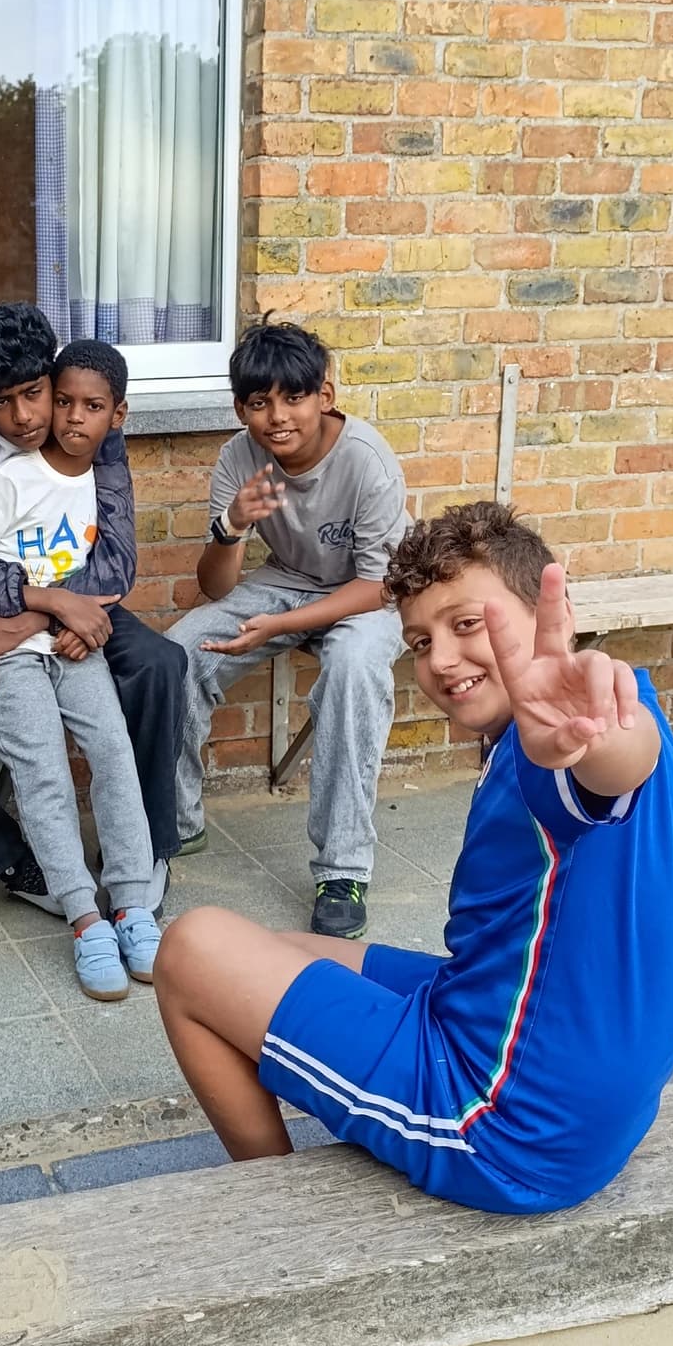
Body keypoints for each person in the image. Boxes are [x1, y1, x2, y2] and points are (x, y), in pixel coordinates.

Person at [154, 502, 673, 1218]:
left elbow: (609, 770)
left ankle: (279, 1214)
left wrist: (591, 740)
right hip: (563, 1074)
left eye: (468, 624)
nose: (441, 659)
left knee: (190, 950)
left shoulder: (578, 734)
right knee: (281, 949)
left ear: (549, 609)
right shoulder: (596, 716)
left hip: (506, 1130)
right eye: (419, 641)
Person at [0, 302, 184, 914]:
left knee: (160, 664)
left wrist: (38, 619)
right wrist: (36, 604)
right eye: (0, 401)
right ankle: (16, 859)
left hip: (75, 600)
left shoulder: (90, 427)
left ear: (53, 378)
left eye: (34, 392)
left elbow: (116, 563)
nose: (24, 416)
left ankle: (148, 846)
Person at [168, 319, 409, 942]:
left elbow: (381, 585)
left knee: (354, 670)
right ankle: (177, 819)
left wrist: (282, 625)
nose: (276, 416)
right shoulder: (239, 457)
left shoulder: (367, 461)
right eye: (258, 402)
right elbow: (218, 589)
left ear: (324, 395)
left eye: (293, 397)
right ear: (241, 407)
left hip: (369, 594)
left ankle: (343, 871)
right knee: (179, 651)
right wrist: (230, 526)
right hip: (287, 579)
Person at [0, 343, 163, 1001]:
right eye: (66, 401)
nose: (74, 418)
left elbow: (107, 577)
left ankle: (132, 903)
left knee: (112, 752)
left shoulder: (103, 484)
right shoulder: (12, 480)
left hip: (77, 648)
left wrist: (72, 624)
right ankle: (83, 917)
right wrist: (37, 620)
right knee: (43, 772)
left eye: (93, 407)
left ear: (119, 415)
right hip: (12, 657)